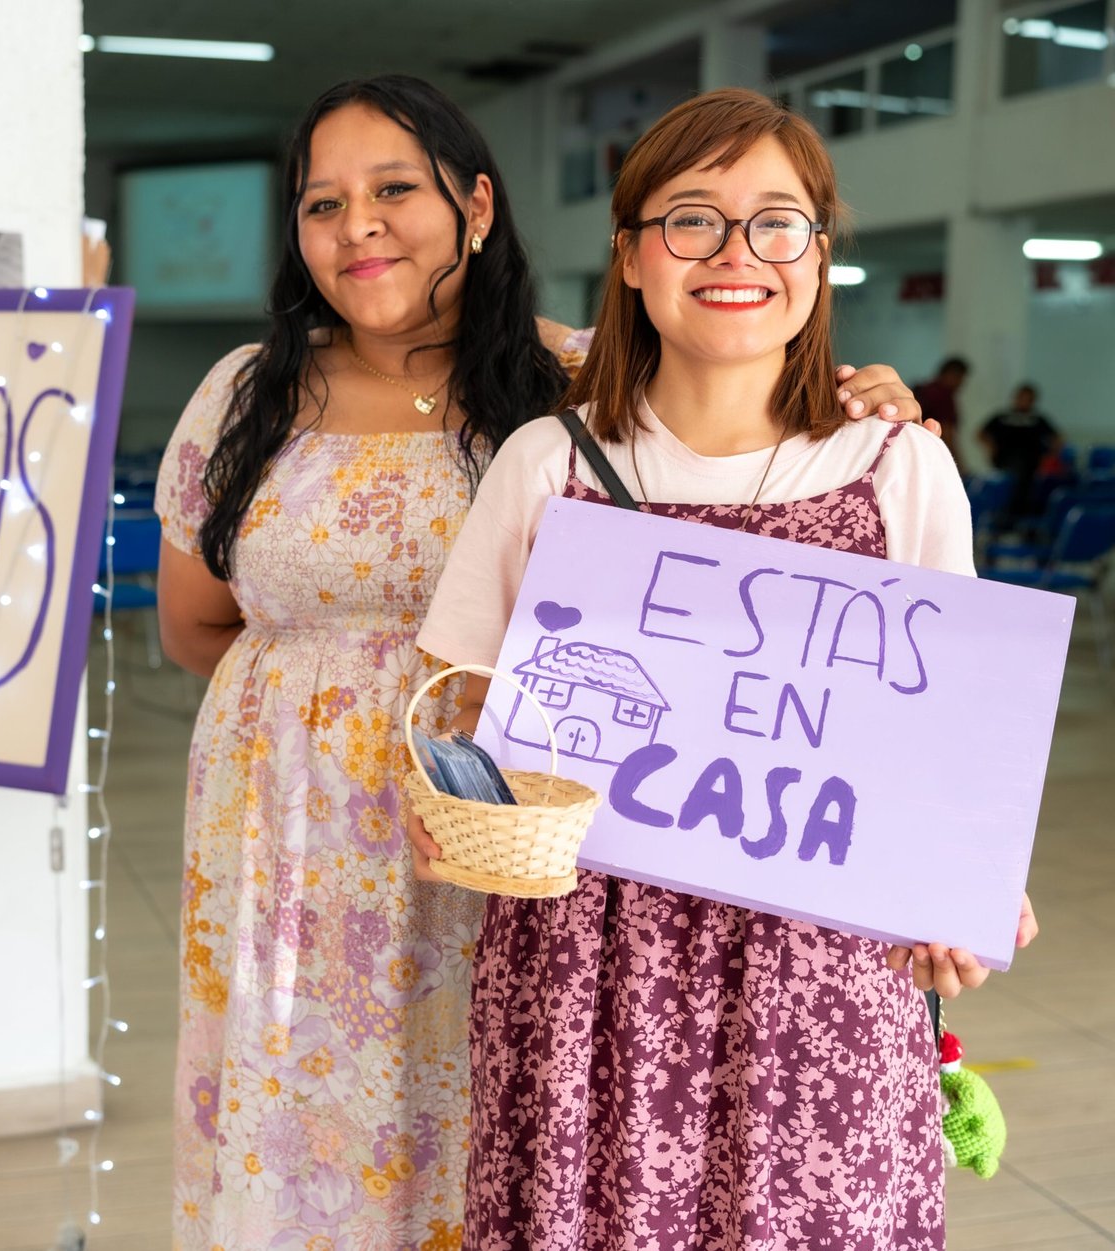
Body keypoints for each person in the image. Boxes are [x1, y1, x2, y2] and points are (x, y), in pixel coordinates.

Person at [155, 75, 926, 1250]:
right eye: (324, 202)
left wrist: (871, 397)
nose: (357, 223)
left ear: (474, 205)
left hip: (526, 840)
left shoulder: (567, 387)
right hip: (295, 835)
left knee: (509, 1130)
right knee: (302, 1128)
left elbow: (732, 405)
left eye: (394, 189)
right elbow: (195, 627)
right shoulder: (244, 395)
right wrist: (303, 713)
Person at [412, 89, 1036, 1250]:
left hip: (824, 964)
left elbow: (948, 742)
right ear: (631, 256)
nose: (736, 253)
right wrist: (450, 811)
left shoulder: (898, 469)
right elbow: (464, 717)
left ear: (817, 255)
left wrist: (970, 883)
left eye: (777, 222)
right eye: (691, 219)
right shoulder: (550, 466)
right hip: (591, 963)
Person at [980, 382, 1061, 523]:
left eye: (1028, 398)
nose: (1023, 401)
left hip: (1031, 466)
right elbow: (981, 434)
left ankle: (1020, 524)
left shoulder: (1037, 419)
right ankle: (1003, 522)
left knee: (1027, 493)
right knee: (1006, 492)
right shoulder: (1002, 417)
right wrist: (991, 449)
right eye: (1021, 397)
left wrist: (1048, 458)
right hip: (1005, 463)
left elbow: (1057, 439)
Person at [913, 355, 969, 471]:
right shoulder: (943, 396)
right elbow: (947, 433)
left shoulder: (922, 390)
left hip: (911, 450)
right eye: (960, 379)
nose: (961, 384)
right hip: (930, 455)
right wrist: (958, 465)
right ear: (952, 375)